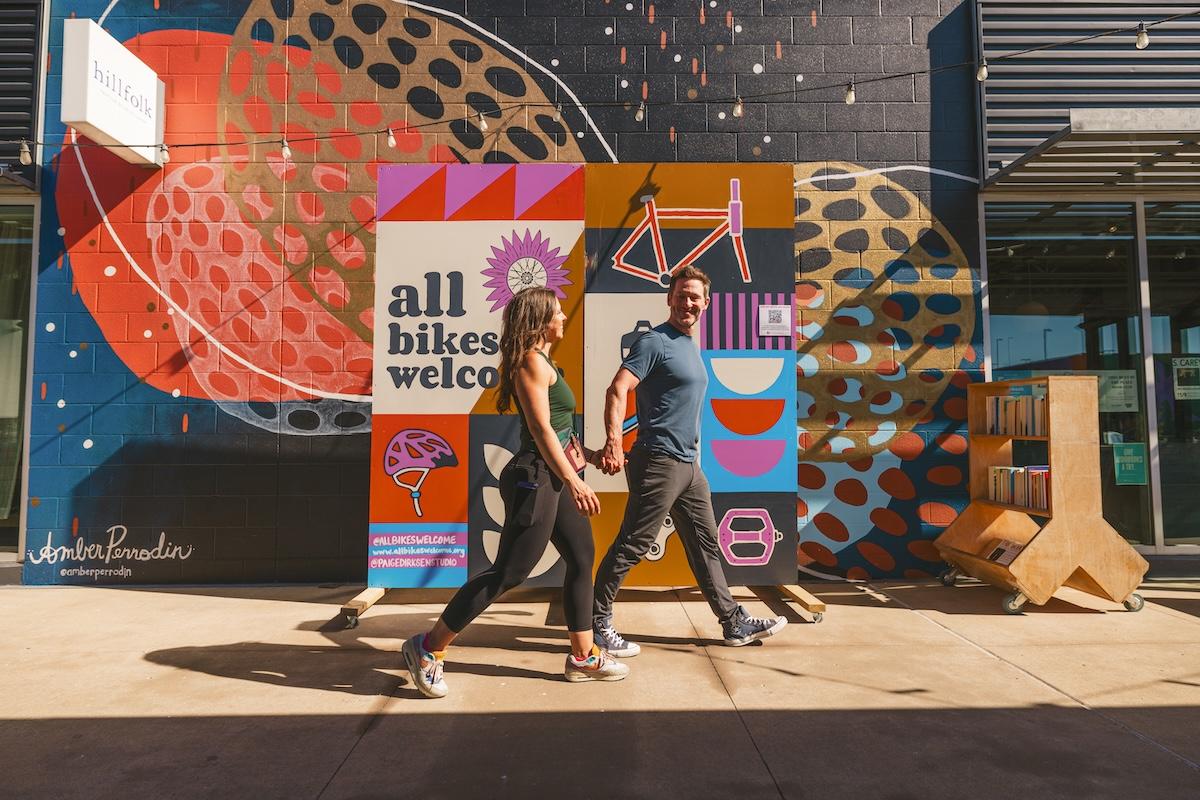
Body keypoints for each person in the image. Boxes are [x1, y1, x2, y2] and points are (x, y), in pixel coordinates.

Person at [402, 287, 629, 697]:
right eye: (557, 313)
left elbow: (560, 430)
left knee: (581, 558)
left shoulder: (545, 362)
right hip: (536, 478)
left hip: (557, 474)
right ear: (541, 320)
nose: (563, 318)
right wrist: (575, 481)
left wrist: (590, 458)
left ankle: (582, 656)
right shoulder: (529, 363)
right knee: (510, 572)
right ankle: (428, 648)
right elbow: (541, 433)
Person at [592, 266, 787, 656]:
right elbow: (618, 388)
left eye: (694, 296)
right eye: (681, 295)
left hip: (689, 466)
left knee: (705, 543)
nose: (687, 302)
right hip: (658, 461)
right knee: (634, 543)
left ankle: (733, 622)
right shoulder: (655, 342)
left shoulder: (688, 345)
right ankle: (596, 623)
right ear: (669, 299)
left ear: (706, 303)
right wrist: (614, 441)